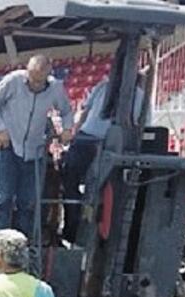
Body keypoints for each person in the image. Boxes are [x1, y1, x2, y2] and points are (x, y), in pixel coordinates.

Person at [0, 54, 75, 238]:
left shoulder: (55, 88)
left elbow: (66, 111)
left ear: (48, 75)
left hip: (35, 151)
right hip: (9, 147)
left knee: (28, 202)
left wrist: (67, 129)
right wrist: (1, 129)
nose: (34, 85)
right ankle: (0, 243)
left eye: (39, 81)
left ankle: (23, 243)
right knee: (3, 198)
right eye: (32, 79)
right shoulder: (13, 81)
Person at [61, 74, 148, 242]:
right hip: (99, 142)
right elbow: (142, 128)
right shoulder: (135, 95)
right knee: (81, 181)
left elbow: (84, 114)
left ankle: (77, 226)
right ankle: (80, 226)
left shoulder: (106, 87)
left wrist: (77, 135)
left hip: (94, 140)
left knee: (75, 181)